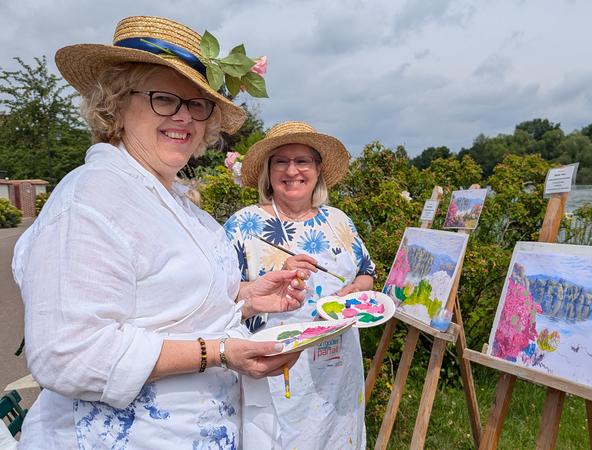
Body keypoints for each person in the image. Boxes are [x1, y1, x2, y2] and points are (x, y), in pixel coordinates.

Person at [11, 16, 309, 449]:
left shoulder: (168, 199)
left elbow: (162, 302)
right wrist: (221, 352)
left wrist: (245, 297)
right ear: (116, 103)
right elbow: (68, 354)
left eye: (197, 104)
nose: (184, 117)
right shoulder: (92, 199)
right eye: (164, 99)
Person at [226, 121, 376, 449]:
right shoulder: (243, 226)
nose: (292, 170)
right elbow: (221, 297)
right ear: (268, 169)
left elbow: (367, 271)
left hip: (338, 372)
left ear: (318, 169)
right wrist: (272, 278)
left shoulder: (339, 221)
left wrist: (355, 291)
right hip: (276, 370)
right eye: (281, 161)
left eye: (302, 161)